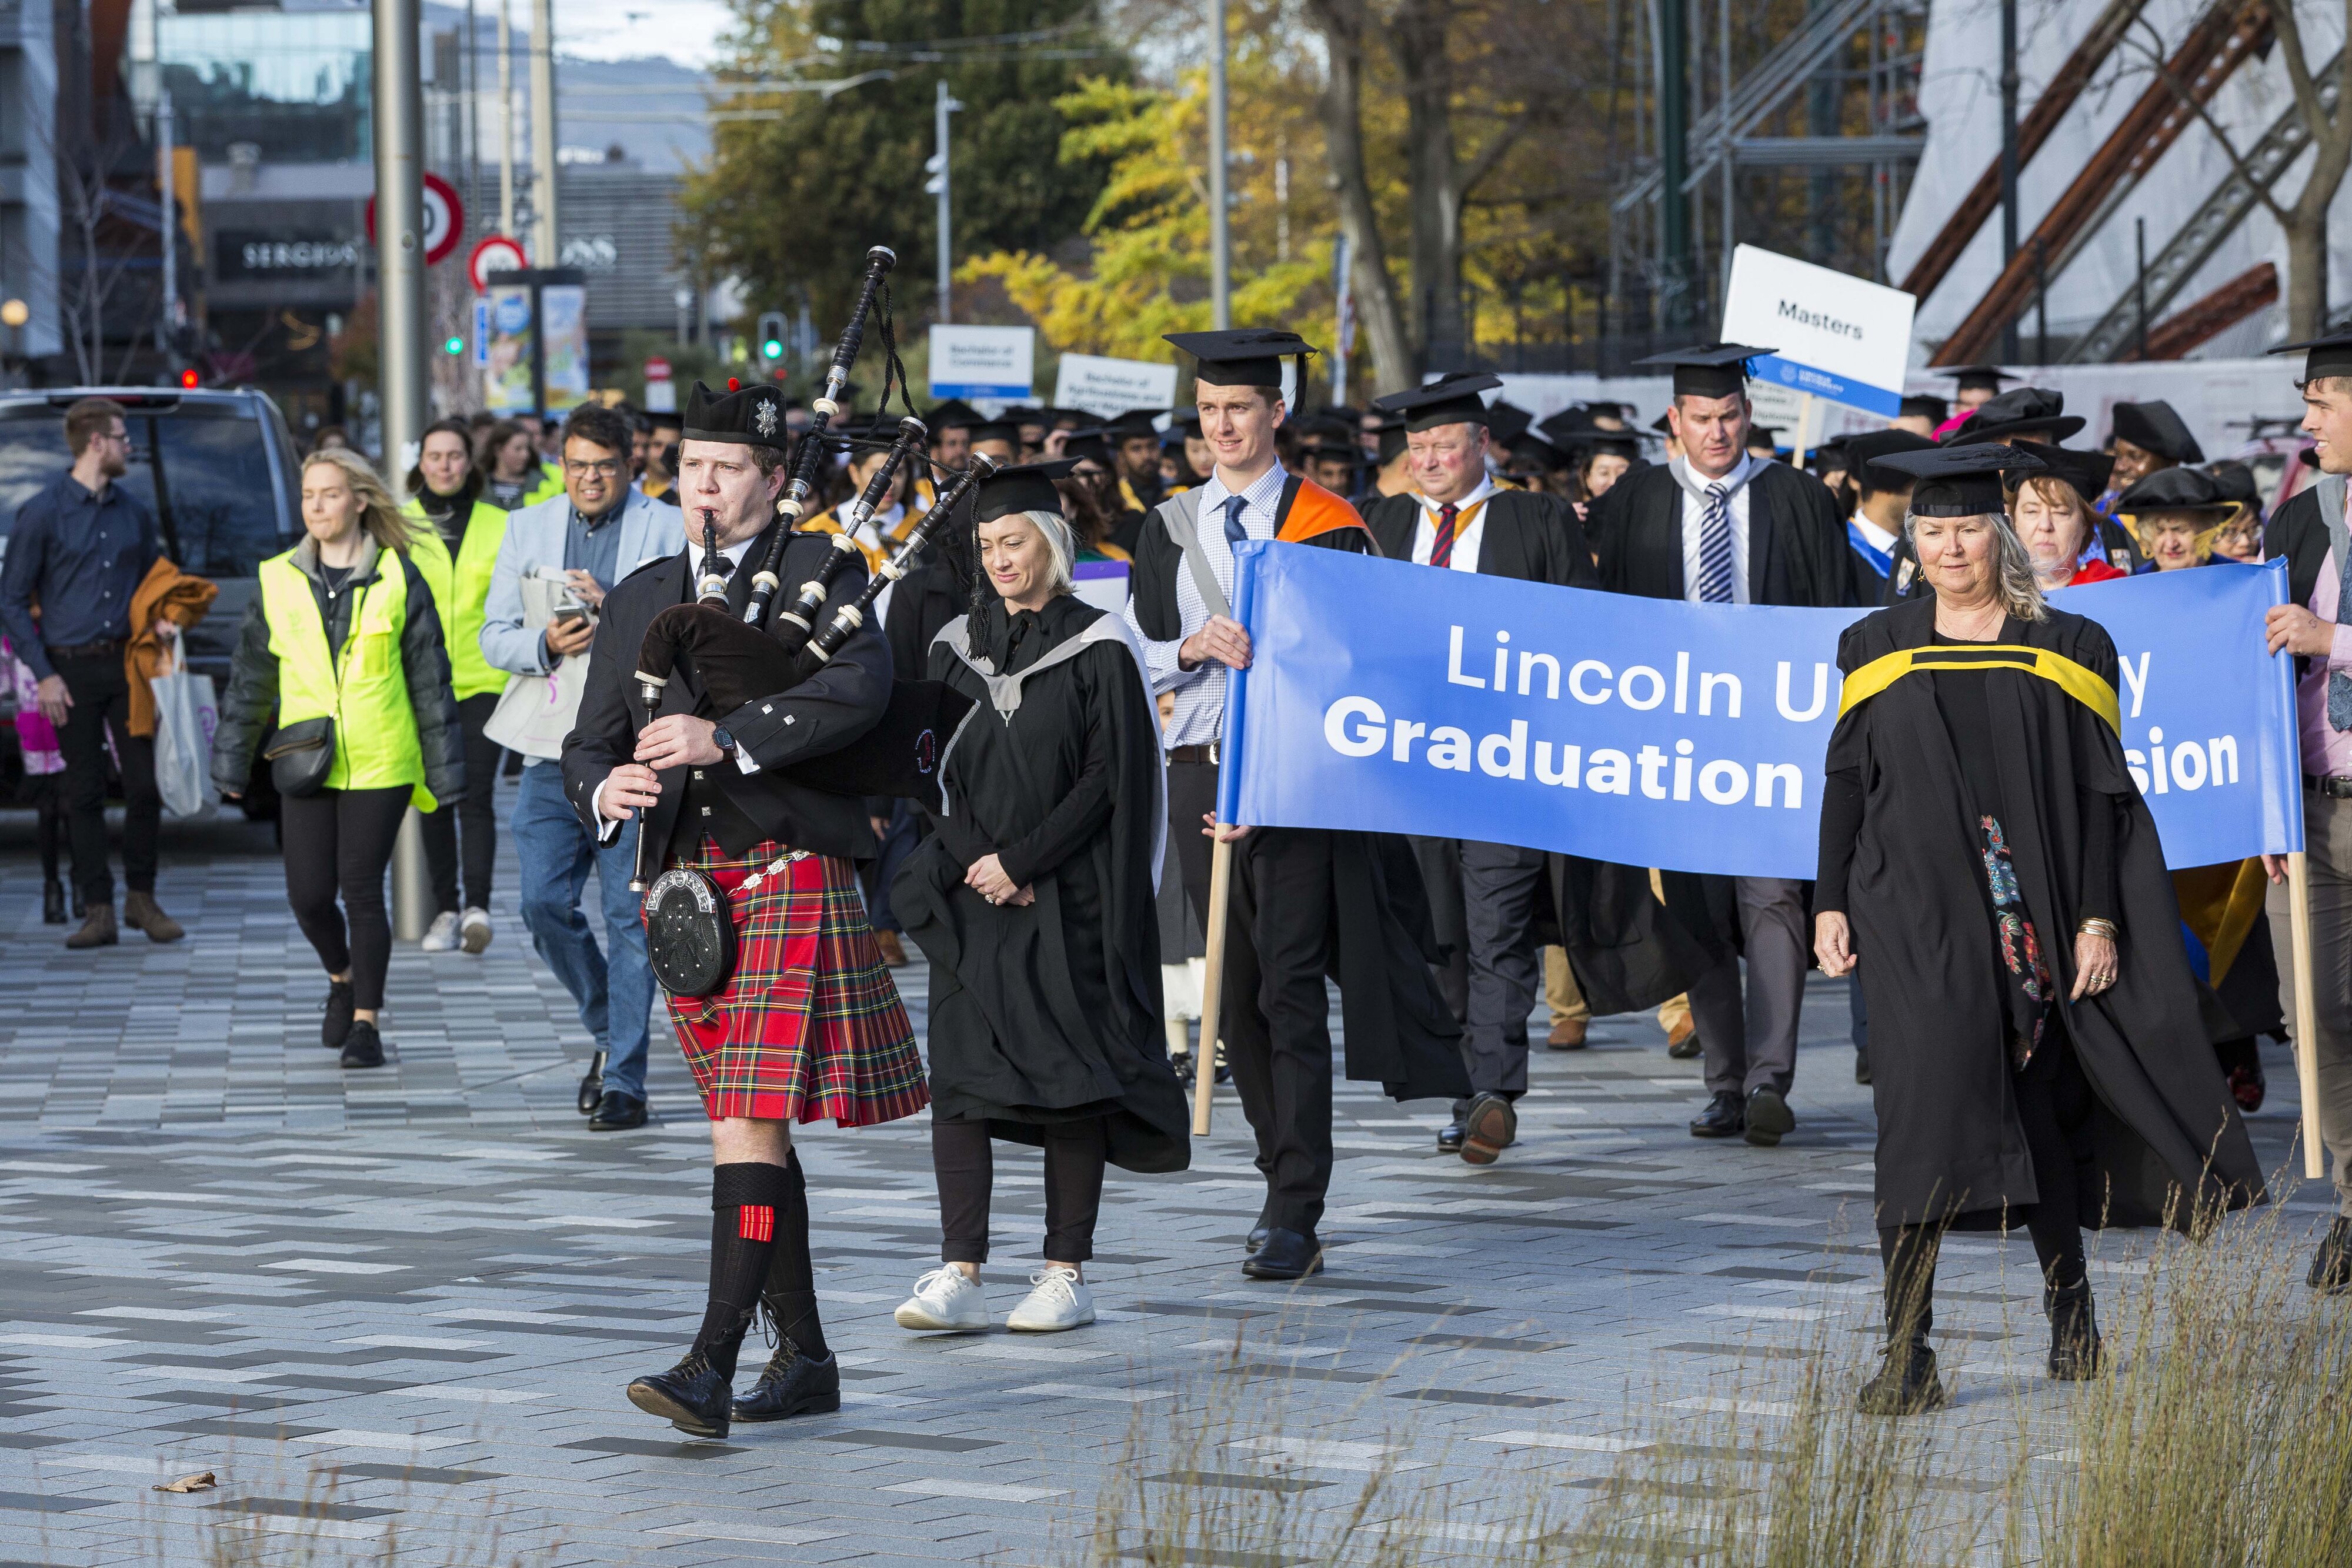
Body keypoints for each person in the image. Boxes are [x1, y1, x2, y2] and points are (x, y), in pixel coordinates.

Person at [1816, 441, 2262, 1414]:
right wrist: (1827, 901)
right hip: (1911, 916)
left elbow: (2106, 797)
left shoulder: (2068, 644)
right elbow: (1846, 781)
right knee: (1915, 1125)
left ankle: (2072, 1319)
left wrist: (2097, 918)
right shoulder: (1870, 644)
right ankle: (1905, 1352)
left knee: (2039, 1118)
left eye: (1966, 528)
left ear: (2000, 535)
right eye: (1928, 531)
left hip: (2036, 915)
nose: (1946, 546)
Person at [563, 379, 926, 1439]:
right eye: (688, 466)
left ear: (773, 479)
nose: (703, 484)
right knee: (748, 1130)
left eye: (726, 468)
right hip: (682, 893)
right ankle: (804, 1356)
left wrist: (725, 737)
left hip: (785, 864)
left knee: (744, 1122)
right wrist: (605, 787)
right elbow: (589, 737)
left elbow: (855, 692)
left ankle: (711, 1362)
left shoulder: (825, 570)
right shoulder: (638, 593)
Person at [1127, 328, 1468, 1281]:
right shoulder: (1166, 528)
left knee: (1288, 989)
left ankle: (1294, 1206)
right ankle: (1273, 1165)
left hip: (1294, 783)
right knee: (1232, 1000)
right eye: (1206, 412)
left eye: (1238, 409)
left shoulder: (1329, 522)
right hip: (1196, 773)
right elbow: (1134, 652)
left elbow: (1361, 665)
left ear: (1275, 415)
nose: (1221, 427)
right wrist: (1192, 648)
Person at [889, 462, 1188, 1333]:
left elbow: (1109, 779)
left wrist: (1021, 860)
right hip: (969, 894)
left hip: (1069, 897)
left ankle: (1065, 1271)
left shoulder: (1099, 642)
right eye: (984, 546)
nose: (997, 560)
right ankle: (960, 1268)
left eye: (1012, 541)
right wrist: (977, 857)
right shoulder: (953, 644)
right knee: (962, 1078)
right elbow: (926, 772)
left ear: (1051, 543)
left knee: (1070, 1080)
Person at [1589, 345, 1862, 1147]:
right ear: (1673, 421)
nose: (1717, 431)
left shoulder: (1801, 499)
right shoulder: (1633, 502)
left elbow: (1831, 615)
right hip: (1671, 732)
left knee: (1771, 895)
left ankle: (1768, 1078)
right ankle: (1723, 1081)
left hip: (1772, 730)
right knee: (1694, 909)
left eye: (1730, 415)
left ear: (1748, 415)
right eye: (1701, 418)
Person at [1360, 372, 1601, 1163]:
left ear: (1481, 445)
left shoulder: (1533, 519)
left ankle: (1495, 1087)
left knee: (1496, 926)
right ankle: (1468, 1090)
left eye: (1444, 443)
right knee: (1440, 938)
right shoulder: (1379, 523)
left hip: (1506, 764)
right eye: (1417, 445)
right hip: (1408, 766)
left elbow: (1578, 628)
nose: (1429, 457)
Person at [211, 448, 465, 1070]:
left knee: (361, 888)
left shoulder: (400, 575)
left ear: (359, 500)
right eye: (308, 495)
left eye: (329, 493)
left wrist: (446, 770)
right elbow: (251, 679)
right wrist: (231, 761)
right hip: (304, 756)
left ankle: (365, 1024)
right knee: (308, 895)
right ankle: (340, 976)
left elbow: (430, 680)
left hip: (382, 757)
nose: (316, 505)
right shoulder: (277, 577)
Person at [482, 403, 685, 1133]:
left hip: (634, 749)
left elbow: (692, 626)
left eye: (604, 465)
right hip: (548, 745)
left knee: (632, 919)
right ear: (560, 466)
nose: (590, 478)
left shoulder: (667, 527)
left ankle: (625, 1079)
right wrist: (543, 640)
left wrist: (620, 610)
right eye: (577, 465)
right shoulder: (525, 527)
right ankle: (609, 1027)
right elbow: (491, 636)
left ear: (630, 465)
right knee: (540, 904)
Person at [0, 397, 184, 949]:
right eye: (122, 437)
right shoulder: (42, 512)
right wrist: (44, 675)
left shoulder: (134, 513)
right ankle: (97, 909)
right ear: (95, 443)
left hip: (127, 666)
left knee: (144, 787)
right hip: (68, 672)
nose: (130, 446)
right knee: (81, 793)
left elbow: (153, 585)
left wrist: (163, 621)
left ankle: (142, 900)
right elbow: (10, 601)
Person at [402, 418, 513, 955]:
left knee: (474, 796)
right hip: (416, 682)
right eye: (434, 456)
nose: (444, 465)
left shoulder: (500, 523)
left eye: (454, 455)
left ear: (469, 463)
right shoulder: (397, 525)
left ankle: (477, 908)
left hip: (484, 679)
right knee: (431, 797)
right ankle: (444, 908)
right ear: (419, 463)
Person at [2012, 448, 2128, 590]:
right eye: (2032, 511)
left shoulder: (2109, 589)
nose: (2045, 525)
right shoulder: (1994, 595)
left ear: (2085, 524)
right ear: (2014, 521)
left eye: (2060, 513)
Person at [2116, 467, 2236, 572]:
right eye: (2160, 531)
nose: (2171, 544)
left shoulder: (2238, 578)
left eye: (2180, 530)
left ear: (2208, 531)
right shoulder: (2135, 585)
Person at [2107, 400, 2204, 497]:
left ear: (2172, 463)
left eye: (2135, 457)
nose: (2120, 467)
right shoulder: (2105, 509)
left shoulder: (2186, 510)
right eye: (2118, 456)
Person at [482, 421, 558, 512]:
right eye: (518, 449)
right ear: (498, 450)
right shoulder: (478, 486)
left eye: (527, 449)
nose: (525, 455)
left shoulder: (541, 485)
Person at [1933, 364, 2017, 415]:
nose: (1975, 411)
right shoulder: (1945, 440)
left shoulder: (2008, 439)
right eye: (1968, 404)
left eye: (1984, 404)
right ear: (1956, 408)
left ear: (1999, 406)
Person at [641, 411, 683, 503]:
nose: (664, 453)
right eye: (657, 445)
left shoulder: (688, 490)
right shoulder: (629, 486)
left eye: (672, 447)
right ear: (646, 446)